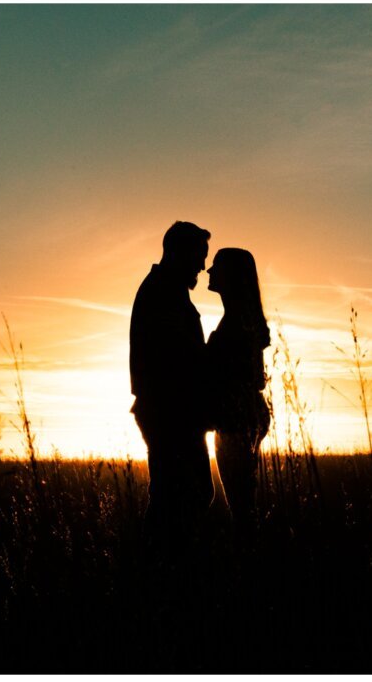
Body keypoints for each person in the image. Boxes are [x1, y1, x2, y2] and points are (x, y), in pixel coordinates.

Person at [129, 220, 214, 555]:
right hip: (169, 412)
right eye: (199, 255)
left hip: (173, 411)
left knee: (180, 493)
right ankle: (164, 566)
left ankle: (165, 564)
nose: (203, 265)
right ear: (178, 251)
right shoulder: (162, 292)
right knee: (177, 495)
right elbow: (178, 356)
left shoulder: (167, 289)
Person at [205, 248, 271, 539]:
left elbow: (252, 379)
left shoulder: (237, 323)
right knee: (243, 504)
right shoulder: (242, 318)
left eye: (216, 266)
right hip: (243, 416)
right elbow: (258, 379)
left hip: (236, 420)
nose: (209, 271)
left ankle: (249, 564)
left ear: (231, 275)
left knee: (241, 508)